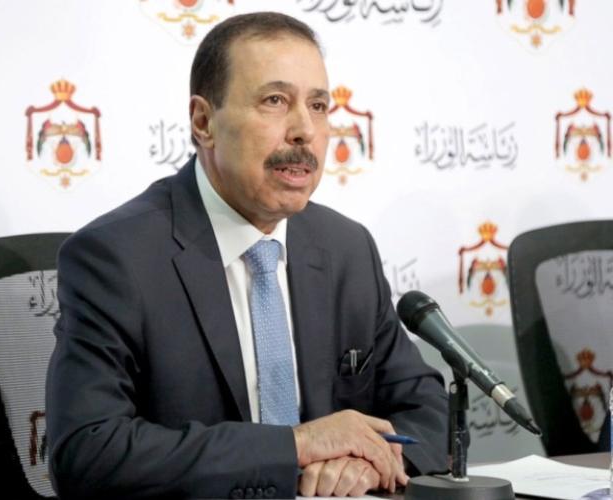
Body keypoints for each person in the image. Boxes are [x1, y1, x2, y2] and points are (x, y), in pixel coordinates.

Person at [46, 11, 448, 499]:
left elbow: (430, 411)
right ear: (204, 122)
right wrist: (296, 446)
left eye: (318, 105)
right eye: (275, 101)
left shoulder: (346, 248)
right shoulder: (116, 258)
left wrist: (368, 461)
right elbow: (88, 453)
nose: (304, 130)